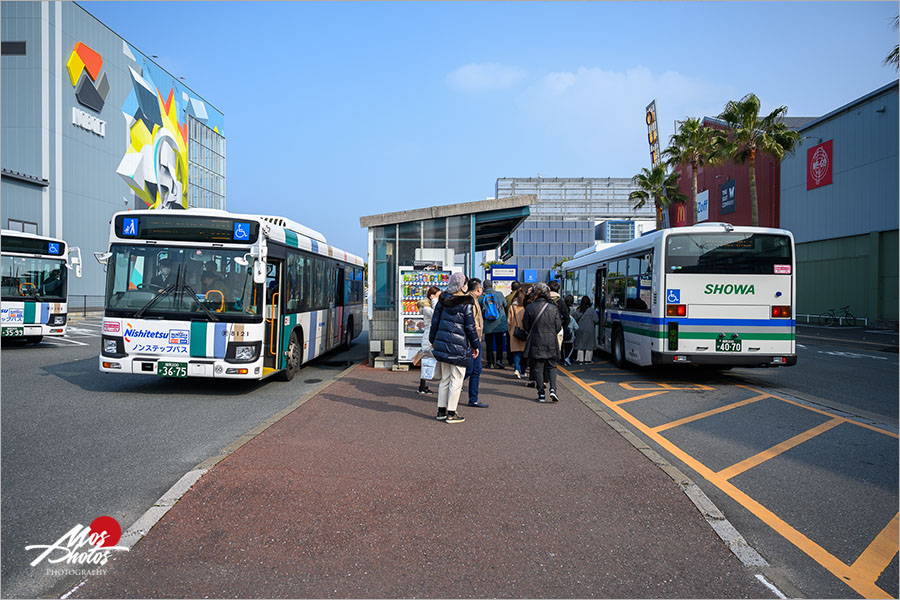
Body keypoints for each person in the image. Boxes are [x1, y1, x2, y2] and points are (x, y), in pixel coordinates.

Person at [429, 272, 480, 423]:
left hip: (442, 344)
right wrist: (476, 345)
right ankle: (451, 413)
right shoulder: (466, 303)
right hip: (459, 346)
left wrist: (433, 340)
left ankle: (441, 410)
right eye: (465, 283)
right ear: (461, 285)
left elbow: (435, 322)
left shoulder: (442, 299)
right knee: (456, 379)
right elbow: (470, 327)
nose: (466, 286)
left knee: (445, 379)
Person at [523, 283, 562, 402]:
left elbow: (526, 326)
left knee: (537, 368)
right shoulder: (553, 308)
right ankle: (553, 390)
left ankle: (541, 394)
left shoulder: (530, 307)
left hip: (536, 340)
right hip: (551, 341)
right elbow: (558, 326)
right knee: (552, 366)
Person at [463, 278, 488, 408]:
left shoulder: (469, 299)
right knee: (473, 370)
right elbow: (471, 324)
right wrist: (475, 343)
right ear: (478, 289)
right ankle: (472, 398)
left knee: (473, 370)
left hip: (470, 340)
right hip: (472, 340)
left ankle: (472, 398)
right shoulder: (471, 301)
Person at [417, 286, 441, 395]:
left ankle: (423, 385)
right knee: (427, 360)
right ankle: (422, 386)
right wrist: (435, 301)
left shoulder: (428, 306)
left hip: (432, 335)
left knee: (429, 360)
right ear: (432, 296)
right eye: (438, 295)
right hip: (428, 337)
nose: (439, 297)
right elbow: (436, 314)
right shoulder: (426, 308)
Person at [480, 279, 508, 369]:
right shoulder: (499, 294)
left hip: (488, 323)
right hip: (499, 323)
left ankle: (490, 362)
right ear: (492, 285)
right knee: (499, 343)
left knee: (489, 344)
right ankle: (499, 361)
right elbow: (505, 304)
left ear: (483, 287)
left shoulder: (482, 296)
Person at [506, 288, 527, 378]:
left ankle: (516, 370)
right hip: (524, 332)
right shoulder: (525, 307)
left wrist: (510, 331)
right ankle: (523, 371)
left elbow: (509, 321)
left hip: (514, 331)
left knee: (516, 352)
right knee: (524, 353)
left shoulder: (512, 307)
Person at [573, 295, 599, 364]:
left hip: (580, 329)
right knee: (589, 345)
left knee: (580, 344)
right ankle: (588, 360)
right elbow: (596, 320)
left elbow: (574, 318)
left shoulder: (578, 310)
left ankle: (580, 359)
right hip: (590, 330)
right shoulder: (591, 310)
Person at [548, 280, 570, 356]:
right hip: (557, 330)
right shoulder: (561, 302)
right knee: (555, 352)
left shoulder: (543, 301)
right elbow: (567, 317)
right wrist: (562, 327)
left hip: (543, 331)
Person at [562, 294, 576, 365]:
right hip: (570, 332)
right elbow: (576, 326)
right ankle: (568, 358)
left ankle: (563, 358)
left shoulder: (562, 307)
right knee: (570, 346)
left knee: (564, 345)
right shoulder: (572, 310)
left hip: (564, 329)